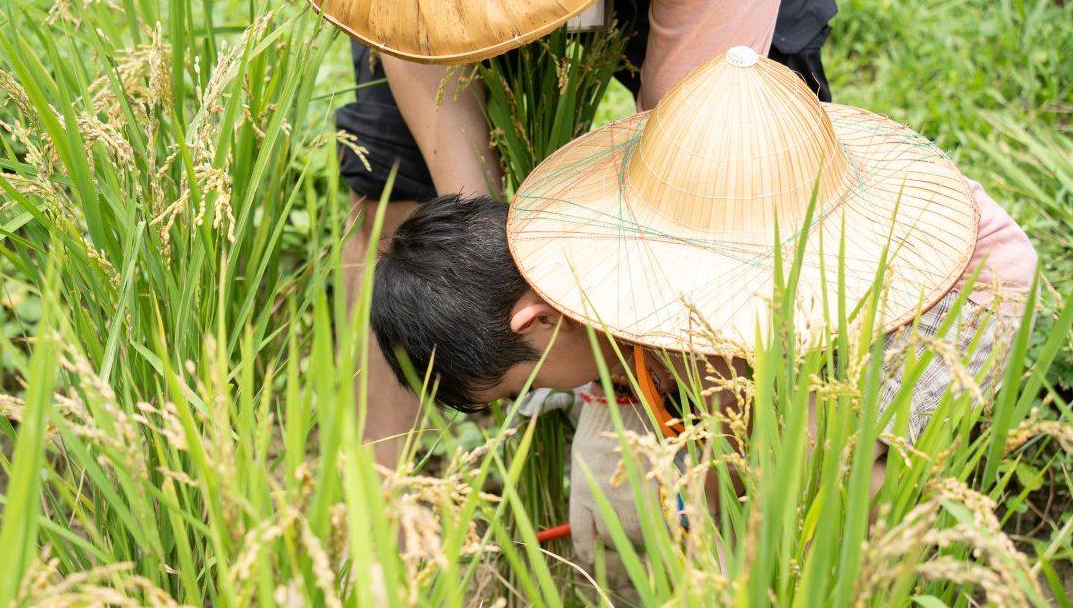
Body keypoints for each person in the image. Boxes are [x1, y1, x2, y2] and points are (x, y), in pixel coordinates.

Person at [369, 48, 1038, 562]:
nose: (540, 393)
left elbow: (750, 447)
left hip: (960, 283)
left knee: (844, 474)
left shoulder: (681, 311)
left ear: (539, 320)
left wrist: (730, 567)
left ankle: (879, 600)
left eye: (525, 385)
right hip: (839, 248)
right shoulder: (573, 263)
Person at [277, 0, 838, 465]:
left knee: (731, 193)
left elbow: (681, 167)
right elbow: (407, 11)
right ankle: (377, 508)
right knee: (395, 191)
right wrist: (479, 229)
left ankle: (739, 485)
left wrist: (628, 375)